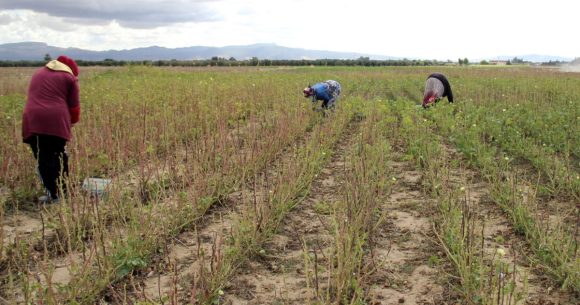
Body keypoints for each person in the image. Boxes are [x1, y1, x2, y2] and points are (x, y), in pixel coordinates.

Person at [22, 55, 80, 203]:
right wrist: (72, 122)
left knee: (43, 157)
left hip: (32, 119)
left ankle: (53, 194)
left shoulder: (38, 73)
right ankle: (60, 194)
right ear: (70, 70)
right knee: (59, 156)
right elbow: (74, 107)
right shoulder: (70, 78)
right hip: (56, 120)